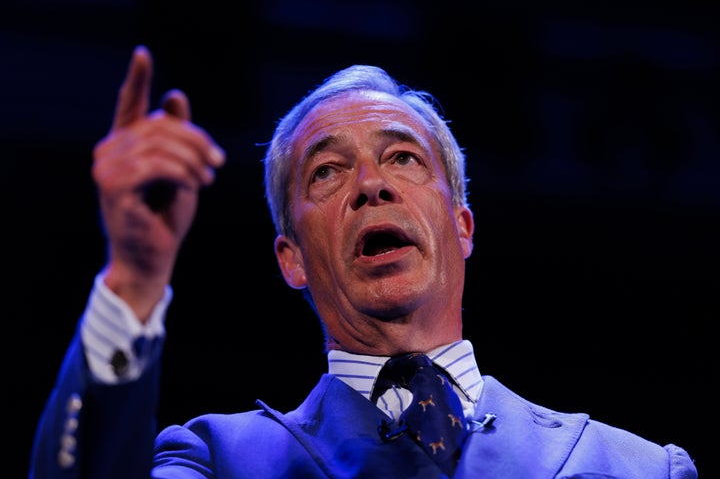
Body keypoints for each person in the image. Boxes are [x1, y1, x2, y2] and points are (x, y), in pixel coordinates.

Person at [29, 44, 697, 479]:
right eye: (326, 172)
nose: (371, 185)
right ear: (291, 259)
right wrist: (135, 279)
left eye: (403, 158)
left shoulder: (634, 468)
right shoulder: (218, 462)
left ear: (461, 225)